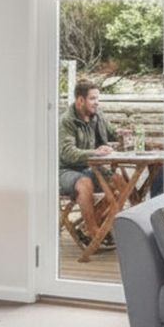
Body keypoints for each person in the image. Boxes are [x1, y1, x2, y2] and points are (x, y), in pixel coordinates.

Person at [59, 80, 119, 244]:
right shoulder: (67, 121)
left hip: (90, 167)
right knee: (85, 183)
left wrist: (125, 135)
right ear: (80, 100)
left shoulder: (98, 115)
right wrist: (96, 152)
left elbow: (114, 135)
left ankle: (88, 228)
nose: (96, 102)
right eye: (92, 99)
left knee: (120, 183)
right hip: (65, 170)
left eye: (97, 98)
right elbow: (67, 153)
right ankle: (94, 234)